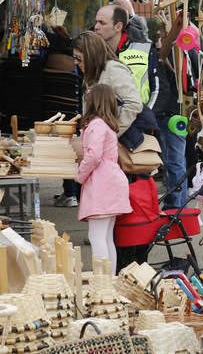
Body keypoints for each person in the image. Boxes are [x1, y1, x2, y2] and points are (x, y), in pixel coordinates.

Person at [56, 31, 143, 208]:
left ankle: (106, 234)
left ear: (90, 54)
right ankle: (103, 232)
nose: (76, 63)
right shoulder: (93, 73)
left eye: (79, 58)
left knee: (109, 201)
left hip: (114, 150)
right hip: (101, 150)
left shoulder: (112, 69)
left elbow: (134, 103)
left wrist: (111, 133)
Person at [76, 83, 132, 273]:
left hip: (101, 183)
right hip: (112, 181)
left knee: (96, 236)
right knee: (106, 236)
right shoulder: (106, 125)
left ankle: (102, 282)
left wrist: (80, 176)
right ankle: (109, 280)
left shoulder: (96, 125)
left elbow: (93, 155)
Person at [153, 25, 198, 209]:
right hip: (179, 111)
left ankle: (175, 206)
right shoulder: (189, 51)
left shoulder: (174, 53)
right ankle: (178, 203)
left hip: (171, 113)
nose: (157, 39)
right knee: (176, 160)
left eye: (160, 35)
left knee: (174, 160)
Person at [94, 4, 159, 108]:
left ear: (118, 26)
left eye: (102, 23)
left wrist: (146, 117)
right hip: (101, 121)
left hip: (140, 119)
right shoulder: (92, 53)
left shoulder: (145, 49)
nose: (96, 27)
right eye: (96, 22)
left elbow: (158, 90)